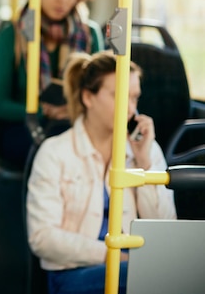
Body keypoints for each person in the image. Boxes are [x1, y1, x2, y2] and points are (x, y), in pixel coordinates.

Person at [26, 51, 177, 294]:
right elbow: (43, 237)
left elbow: (166, 228)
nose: (130, 109)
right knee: (160, 278)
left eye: (135, 98)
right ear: (88, 97)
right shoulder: (55, 152)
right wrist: (115, 255)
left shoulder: (145, 150)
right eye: (119, 97)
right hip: (73, 272)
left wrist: (144, 162)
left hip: (135, 268)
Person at [0, 0, 111, 169]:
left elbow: (100, 91)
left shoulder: (89, 35)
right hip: (25, 129)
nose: (63, 0)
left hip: (77, 125)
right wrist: (42, 111)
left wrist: (72, 111)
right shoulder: (11, 36)